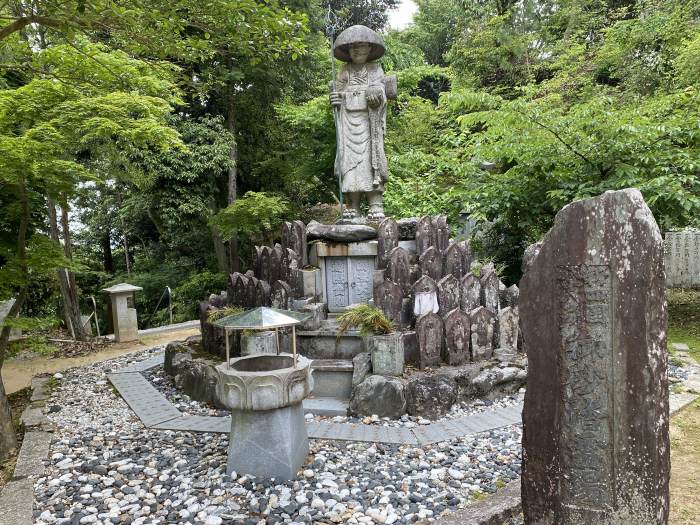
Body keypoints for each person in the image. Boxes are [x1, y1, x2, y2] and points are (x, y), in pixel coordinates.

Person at [330, 25, 396, 221]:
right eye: (353, 47)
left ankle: (376, 203)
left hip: (369, 124)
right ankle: (353, 206)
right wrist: (336, 99)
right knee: (349, 164)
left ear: (369, 48)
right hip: (348, 123)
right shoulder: (344, 70)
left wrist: (376, 93)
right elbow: (338, 94)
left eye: (361, 46)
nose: (357, 50)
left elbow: (381, 89)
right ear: (348, 51)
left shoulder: (375, 69)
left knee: (370, 162)